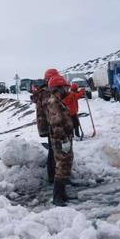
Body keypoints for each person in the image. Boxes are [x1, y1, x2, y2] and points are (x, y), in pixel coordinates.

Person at [44, 75, 75, 206]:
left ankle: (63, 195)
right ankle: (57, 197)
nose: (66, 90)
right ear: (58, 88)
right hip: (60, 139)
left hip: (64, 137)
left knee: (65, 165)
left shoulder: (57, 100)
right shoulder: (53, 102)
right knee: (61, 166)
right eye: (64, 88)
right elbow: (56, 123)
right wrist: (64, 140)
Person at [32, 68, 60, 185]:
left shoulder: (43, 92)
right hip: (50, 125)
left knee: (53, 151)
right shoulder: (46, 93)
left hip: (47, 125)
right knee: (53, 152)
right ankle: (53, 177)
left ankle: (54, 176)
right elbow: (49, 111)